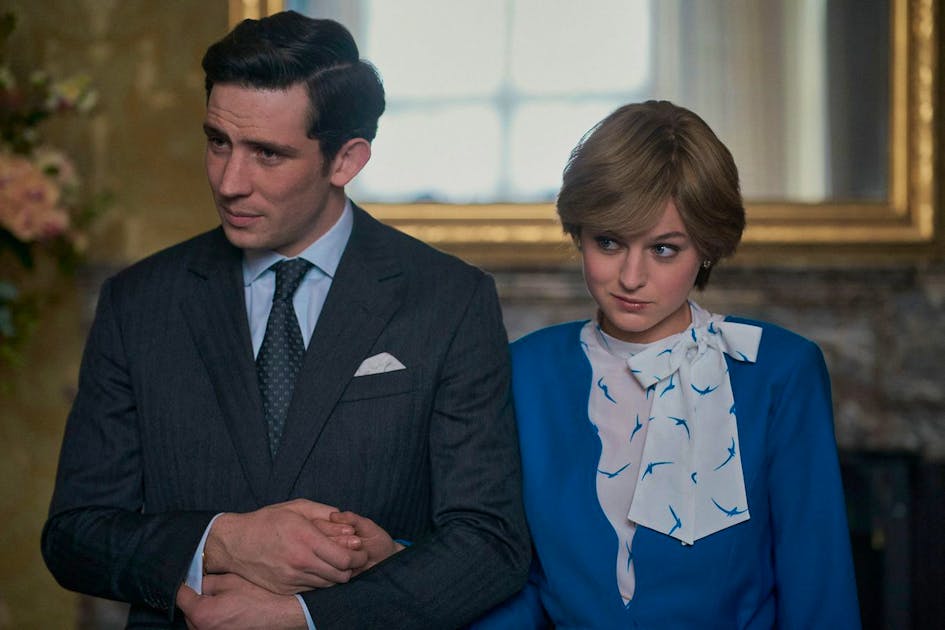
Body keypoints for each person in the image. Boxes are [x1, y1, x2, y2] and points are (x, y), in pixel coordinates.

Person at [41, 11, 529, 629]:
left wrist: (304, 615)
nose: (229, 182)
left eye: (267, 154)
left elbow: (489, 544)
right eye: (218, 141)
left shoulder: (450, 299)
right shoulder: (138, 301)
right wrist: (220, 541)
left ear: (346, 160)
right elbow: (74, 535)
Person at [472, 101, 861, 628]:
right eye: (608, 242)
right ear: (578, 233)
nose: (631, 277)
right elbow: (507, 576)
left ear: (707, 247)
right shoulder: (525, 371)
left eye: (663, 249)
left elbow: (819, 584)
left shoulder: (779, 370)